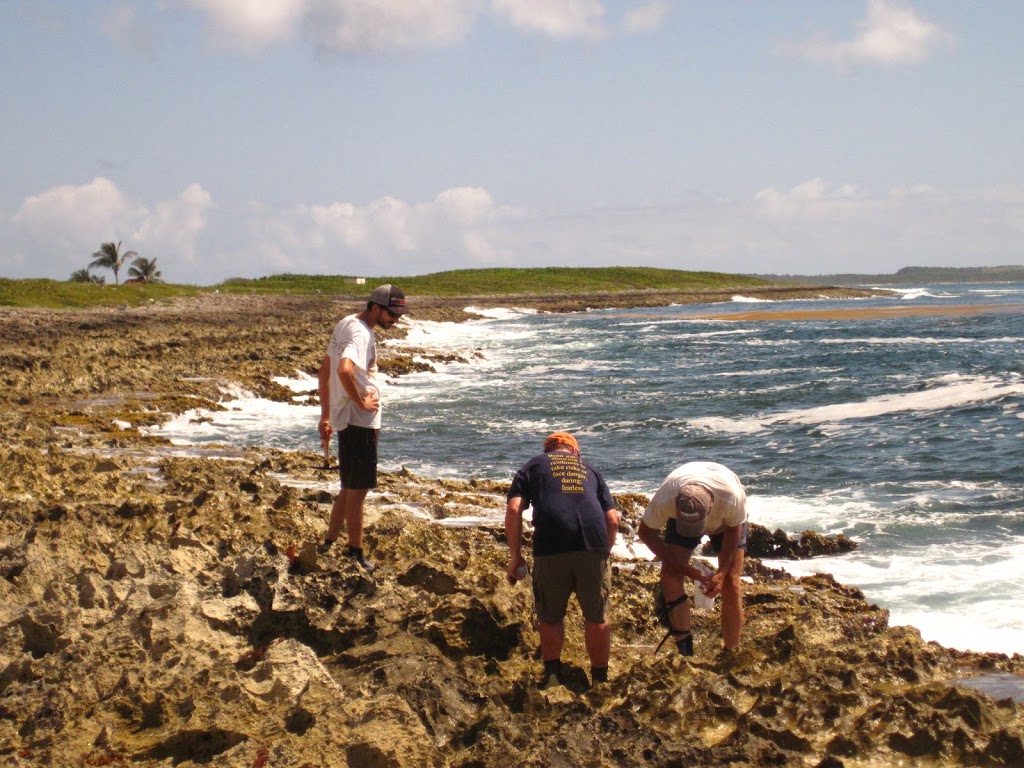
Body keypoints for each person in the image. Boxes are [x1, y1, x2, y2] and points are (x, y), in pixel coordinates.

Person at [505, 432, 620, 688]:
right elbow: (612, 520)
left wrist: (515, 558)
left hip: (551, 545)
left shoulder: (533, 466)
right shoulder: (591, 470)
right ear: (575, 452)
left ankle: (553, 676)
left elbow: (514, 509)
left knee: (551, 616)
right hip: (593, 544)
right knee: (597, 617)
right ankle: (600, 680)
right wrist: (604, 553)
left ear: (549, 451)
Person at [317, 284, 407, 571]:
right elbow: (343, 370)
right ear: (376, 309)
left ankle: (329, 542)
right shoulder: (360, 332)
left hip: (347, 418)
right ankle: (355, 552)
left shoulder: (346, 323)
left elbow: (324, 371)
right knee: (359, 490)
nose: (396, 320)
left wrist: (326, 416)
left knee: (348, 486)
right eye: (392, 315)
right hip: (359, 421)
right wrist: (361, 400)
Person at [637, 461, 748, 655]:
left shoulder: (730, 497)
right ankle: (685, 650)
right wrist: (683, 568)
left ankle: (732, 651)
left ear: (712, 505)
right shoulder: (666, 498)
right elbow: (646, 533)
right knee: (670, 576)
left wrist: (721, 574)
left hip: (727, 524)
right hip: (685, 507)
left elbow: (733, 530)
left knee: (731, 583)